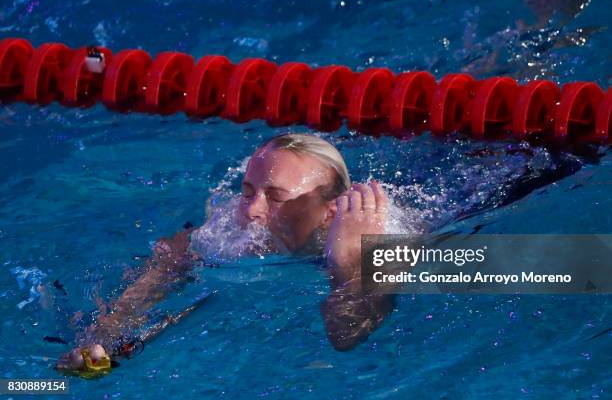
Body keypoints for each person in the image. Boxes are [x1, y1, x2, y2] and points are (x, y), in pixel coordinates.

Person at [57, 133, 393, 372]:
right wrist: (101, 341)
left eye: (276, 197)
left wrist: (349, 261)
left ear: (330, 211)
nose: (251, 211)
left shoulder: (387, 236)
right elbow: (166, 265)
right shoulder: (225, 231)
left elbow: (347, 337)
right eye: (248, 192)